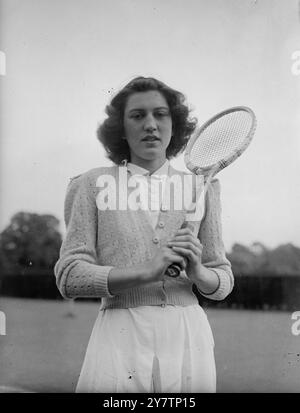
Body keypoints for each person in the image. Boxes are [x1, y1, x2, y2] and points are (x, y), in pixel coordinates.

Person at [54, 76, 234, 393]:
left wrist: (199, 272)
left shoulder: (202, 187)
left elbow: (222, 278)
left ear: (173, 124)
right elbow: (69, 276)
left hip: (187, 334)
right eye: (137, 116)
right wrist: (146, 271)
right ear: (121, 129)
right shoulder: (92, 183)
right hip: (120, 334)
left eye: (160, 114)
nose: (150, 124)